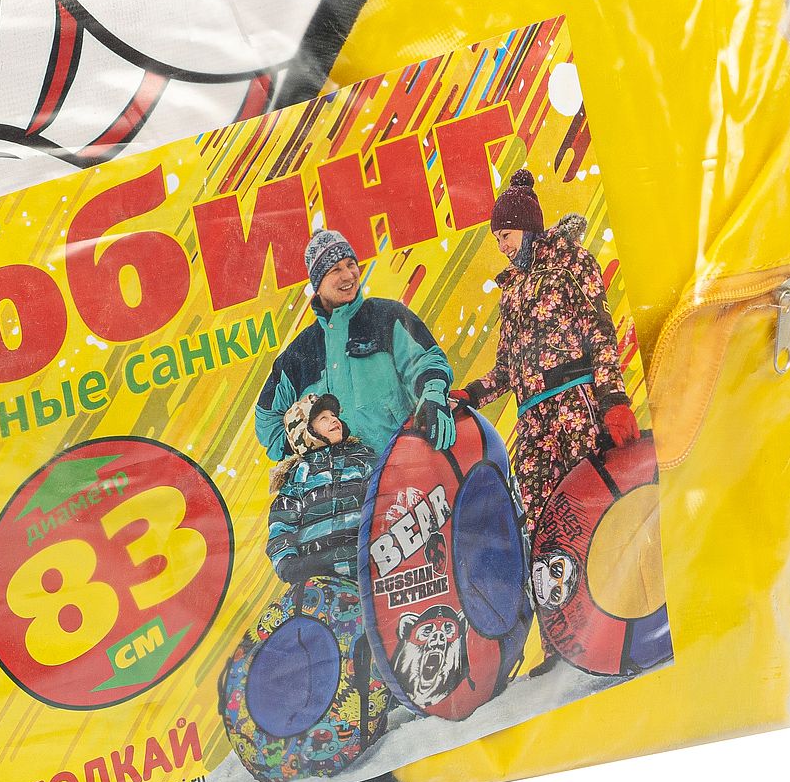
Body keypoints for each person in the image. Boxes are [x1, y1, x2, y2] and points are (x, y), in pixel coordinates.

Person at [459, 167, 641, 539]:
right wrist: (471, 395)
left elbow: (600, 334)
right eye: (497, 240)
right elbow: (506, 368)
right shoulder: (511, 290)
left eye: (506, 236)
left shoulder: (571, 262)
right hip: (531, 420)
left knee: (592, 506)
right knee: (540, 520)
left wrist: (614, 400)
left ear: (526, 227)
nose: (502, 247)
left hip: (573, 406)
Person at [255, 229, 456, 464]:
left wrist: (433, 394)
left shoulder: (386, 316)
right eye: (335, 269)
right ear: (318, 284)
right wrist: (306, 446)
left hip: (403, 469)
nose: (348, 275)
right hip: (340, 484)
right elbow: (267, 421)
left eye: (351, 264)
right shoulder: (299, 354)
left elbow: (426, 361)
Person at [265, 395, 378, 583]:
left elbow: (386, 500)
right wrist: (288, 564)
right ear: (305, 431)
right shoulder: (297, 479)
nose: (334, 420)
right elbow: (281, 526)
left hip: (369, 571)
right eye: (323, 418)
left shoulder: (362, 460)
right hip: (321, 581)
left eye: (334, 415)